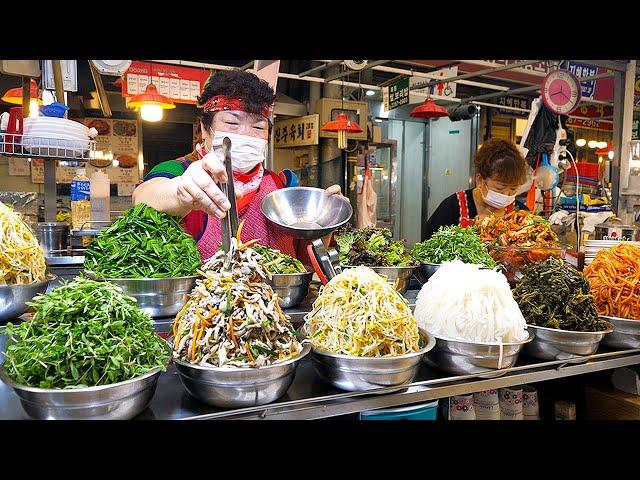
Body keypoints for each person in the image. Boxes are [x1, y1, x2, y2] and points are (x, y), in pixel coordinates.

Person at [132, 69, 343, 261]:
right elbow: (144, 197)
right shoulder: (180, 171)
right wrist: (181, 192)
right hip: (198, 301)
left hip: (279, 299)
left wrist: (324, 224)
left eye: (258, 126)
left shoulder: (282, 187)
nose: (246, 134)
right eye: (232, 123)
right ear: (205, 129)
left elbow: (304, 262)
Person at [423, 138, 528, 239]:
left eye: (513, 188)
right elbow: (427, 248)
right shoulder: (453, 207)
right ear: (480, 179)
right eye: (499, 188)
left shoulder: (522, 214)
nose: (506, 194)